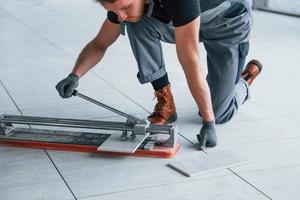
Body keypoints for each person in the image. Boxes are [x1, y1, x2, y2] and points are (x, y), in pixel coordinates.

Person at [56, 0, 262, 149]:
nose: (121, 16)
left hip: (228, 24)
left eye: (125, 8)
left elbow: (190, 62)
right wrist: (75, 75)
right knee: (136, 23)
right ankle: (166, 102)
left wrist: (209, 122)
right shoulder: (124, 6)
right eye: (116, 11)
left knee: (220, 113)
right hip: (188, 22)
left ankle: (244, 80)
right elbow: (101, 43)